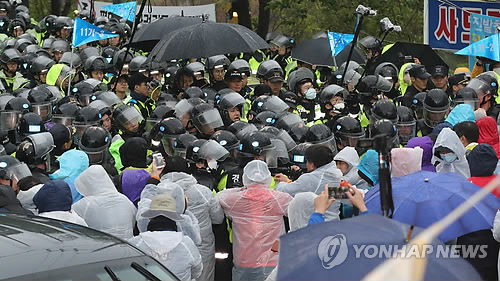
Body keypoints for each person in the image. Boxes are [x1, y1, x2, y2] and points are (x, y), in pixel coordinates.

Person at [217, 160, 292, 281]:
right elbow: (299, 208)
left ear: (245, 176)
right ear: (268, 176)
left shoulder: (233, 200)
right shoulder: (279, 198)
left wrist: (240, 190)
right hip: (273, 261)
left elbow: (218, 197)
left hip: (244, 260)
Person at [162, 172, 225, 281]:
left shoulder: (160, 192)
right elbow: (218, 218)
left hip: (171, 250)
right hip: (203, 247)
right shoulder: (202, 191)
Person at [129, 192, 203, 281]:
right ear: (174, 218)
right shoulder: (186, 244)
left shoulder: (135, 244)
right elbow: (197, 271)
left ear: (150, 218)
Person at [274, 145, 342, 220]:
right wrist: (288, 181)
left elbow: (284, 191)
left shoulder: (312, 178)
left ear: (312, 165)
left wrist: (281, 183)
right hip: (334, 222)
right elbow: (312, 188)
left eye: (307, 161)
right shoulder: (336, 175)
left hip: (317, 224)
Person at [72, 165, 137, 240]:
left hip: (101, 246)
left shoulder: (87, 204)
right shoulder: (124, 199)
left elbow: (69, 219)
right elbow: (134, 217)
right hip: (128, 246)